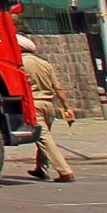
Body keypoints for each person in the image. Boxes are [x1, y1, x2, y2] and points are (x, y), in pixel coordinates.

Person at [18, 36, 78, 182]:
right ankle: (41, 168)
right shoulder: (45, 64)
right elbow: (58, 88)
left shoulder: (20, 63)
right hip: (49, 105)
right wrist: (67, 108)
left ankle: (65, 171)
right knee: (44, 136)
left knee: (44, 138)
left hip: (34, 104)